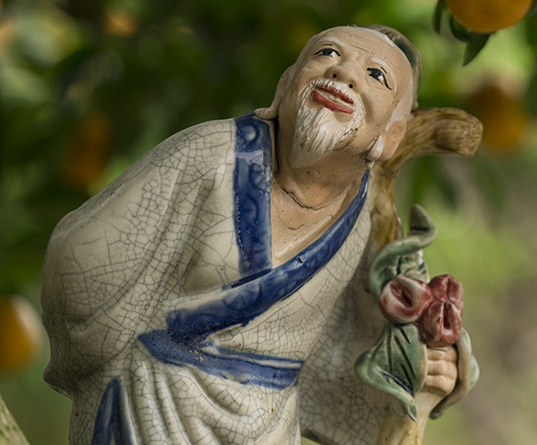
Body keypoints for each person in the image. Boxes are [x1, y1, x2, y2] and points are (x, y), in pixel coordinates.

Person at [41, 25, 470, 444]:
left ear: (391, 135)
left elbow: (358, 344)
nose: (343, 73)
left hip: (268, 425)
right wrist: (113, 362)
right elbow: (81, 260)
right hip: (150, 407)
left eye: (376, 75)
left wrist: (431, 368)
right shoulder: (209, 155)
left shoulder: (364, 222)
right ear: (285, 86)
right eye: (327, 54)